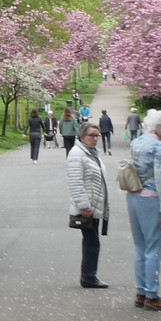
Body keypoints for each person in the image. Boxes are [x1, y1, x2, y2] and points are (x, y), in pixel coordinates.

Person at [130, 109, 161, 311]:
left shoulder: (136, 142)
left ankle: (140, 292)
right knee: (153, 249)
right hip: (151, 199)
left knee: (140, 246)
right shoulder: (159, 147)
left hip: (133, 197)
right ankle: (152, 295)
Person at [65, 122, 110, 289]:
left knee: (92, 242)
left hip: (94, 205)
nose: (95, 139)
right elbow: (76, 183)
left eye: (97, 136)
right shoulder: (77, 154)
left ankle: (89, 275)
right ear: (82, 136)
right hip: (87, 207)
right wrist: (84, 206)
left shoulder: (90, 153)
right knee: (92, 242)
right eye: (92, 135)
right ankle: (88, 277)